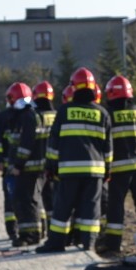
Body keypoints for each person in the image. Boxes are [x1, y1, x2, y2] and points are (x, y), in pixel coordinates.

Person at [36, 67, 112, 253]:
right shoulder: (102, 113)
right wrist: (108, 170)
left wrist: (50, 167)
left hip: (69, 170)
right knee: (91, 208)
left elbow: (54, 142)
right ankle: (89, 244)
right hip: (95, 171)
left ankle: (56, 243)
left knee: (63, 207)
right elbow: (108, 148)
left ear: (73, 88)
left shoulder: (64, 111)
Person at [99, 75, 136, 256]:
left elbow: (104, 142)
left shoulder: (107, 114)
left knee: (116, 207)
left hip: (117, 170)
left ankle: (113, 245)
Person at [4, 82, 45, 246]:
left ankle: (31, 236)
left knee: (26, 201)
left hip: (28, 168)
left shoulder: (27, 117)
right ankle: (28, 234)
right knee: (25, 201)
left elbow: (26, 145)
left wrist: (18, 165)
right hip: (28, 167)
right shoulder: (27, 115)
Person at [0, 94, 19, 243]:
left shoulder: (27, 115)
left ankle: (22, 229)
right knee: (10, 199)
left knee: (19, 198)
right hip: (10, 167)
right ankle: (12, 230)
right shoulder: (2, 117)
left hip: (20, 167)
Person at [32, 81, 57, 234]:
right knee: (54, 198)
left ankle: (42, 229)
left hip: (39, 164)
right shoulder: (58, 115)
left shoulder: (36, 116)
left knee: (40, 198)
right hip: (57, 165)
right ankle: (54, 229)